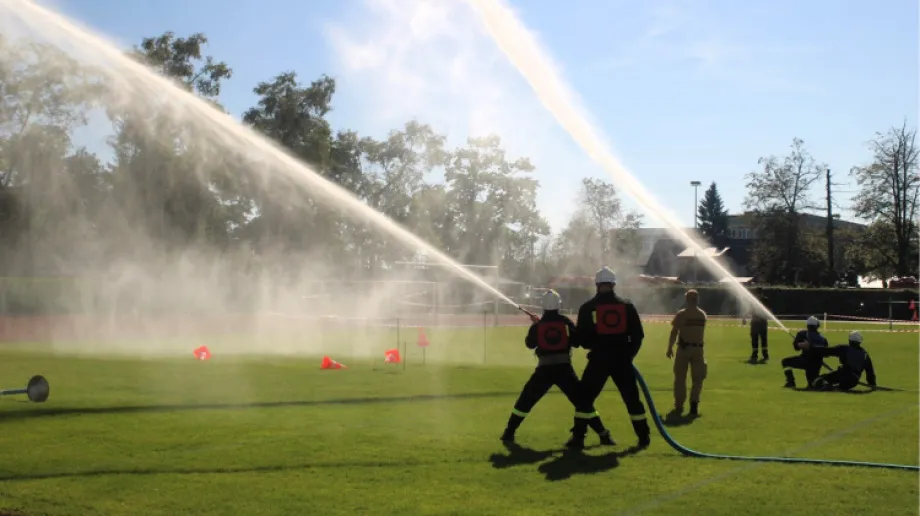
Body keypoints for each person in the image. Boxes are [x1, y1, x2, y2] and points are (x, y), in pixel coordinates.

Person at [500, 290, 615, 446]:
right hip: (564, 370)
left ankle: (509, 432)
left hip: (544, 370)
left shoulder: (539, 325)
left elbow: (530, 344)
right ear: (559, 304)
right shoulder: (565, 322)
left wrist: (536, 325)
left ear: (542, 305)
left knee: (525, 400)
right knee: (583, 403)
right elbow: (576, 342)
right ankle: (604, 435)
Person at [569, 266, 650, 450]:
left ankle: (578, 438)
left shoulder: (587, 308)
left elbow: (582, 340)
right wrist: (628, 356)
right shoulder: (627, 306)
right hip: (622, 360)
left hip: (598, 360)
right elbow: (638, 336)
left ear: (596, 284)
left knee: (584, 399)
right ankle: (643, 437)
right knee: (632, 400)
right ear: (614, 284)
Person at [666, 289, 708, 416]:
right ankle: (694, 404)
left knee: (680, 378)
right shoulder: (702, 315)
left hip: (683, 349)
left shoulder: (682, 314)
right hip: (698, 349)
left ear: (687, 300)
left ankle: (679, 405)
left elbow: (674, 332)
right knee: (698, 378)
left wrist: (670, 348)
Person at [812, 331, 877, 392]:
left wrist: (812, 349)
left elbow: (827, 351)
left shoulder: (844, 349)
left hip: (842, 374)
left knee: (821, 379)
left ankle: (826, 385)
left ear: (849, 341)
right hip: (853, 380)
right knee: (840, 387)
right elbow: (870, 373)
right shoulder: (865, 355)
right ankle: (835, 387)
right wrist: (873, 384)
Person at [780, 316, 828, 388]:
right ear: (817, 326)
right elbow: (825, 353)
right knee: (812, 384)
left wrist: (799, 344)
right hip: (817, 364)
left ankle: (790, 382)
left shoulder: (802, 334)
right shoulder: (823, 338)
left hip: (805, 361)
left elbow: (796, 348)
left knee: (785, 362)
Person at [747, 291, 769, 362]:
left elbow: (766, 310)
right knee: (755, 340)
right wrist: (745, 316)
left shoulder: (765, 300)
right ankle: (755, 355)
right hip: (755, 323)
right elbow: (750, 310)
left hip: (761, 323)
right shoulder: (754, 301)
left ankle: (765, 355)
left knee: (763, 340)